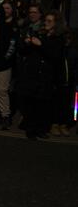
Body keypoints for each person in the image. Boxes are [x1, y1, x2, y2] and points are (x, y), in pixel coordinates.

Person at [17, 10, 65, 140]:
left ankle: (41, 129)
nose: (46, 23)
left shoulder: (58, 38)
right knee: (32, 103)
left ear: (56, 23)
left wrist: (41, 45)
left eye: (50, 21)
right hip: (34, 74)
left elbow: (55, 55)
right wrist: (27, 43)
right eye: (46, 20)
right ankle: (31, 130)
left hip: (47, 76)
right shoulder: (40, 34)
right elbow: (23, 50)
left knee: (43, 104)